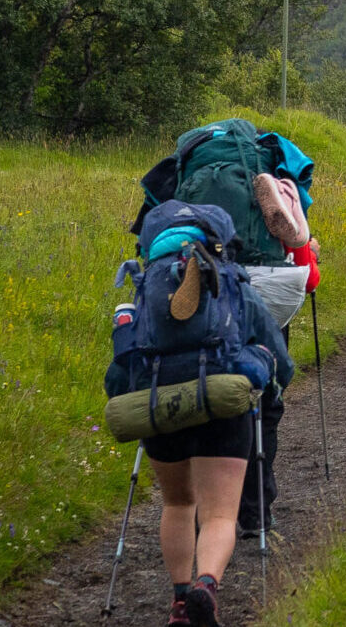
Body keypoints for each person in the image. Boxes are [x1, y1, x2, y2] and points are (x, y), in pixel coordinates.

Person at [134, 121, 322, 545]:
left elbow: (149, 233)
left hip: (200, 280)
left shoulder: (182, 161)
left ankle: (201, 511)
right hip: (267, 281)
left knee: (199, 380)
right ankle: (257, 514)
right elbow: (299, 214)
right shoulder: (272, 151)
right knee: (263, 393)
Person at [114, 207, 295, 627]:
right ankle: (206, 586)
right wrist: (276, 378)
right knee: (218, 514)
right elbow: (278, 355)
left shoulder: (145, 288)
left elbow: (121, 368)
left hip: (162, 407)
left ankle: (179, 601)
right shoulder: (235, 284)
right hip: (222, 405)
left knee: (177, 503)